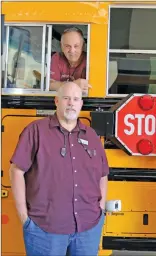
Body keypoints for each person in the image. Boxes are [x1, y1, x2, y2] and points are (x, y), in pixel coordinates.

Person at [9, 82, 109, 256]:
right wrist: (24, 217)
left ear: (81, 104)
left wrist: (100, 210)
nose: (71, 103)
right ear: (56, 101)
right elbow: (16, 171)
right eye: (66, 98)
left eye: (76, 99)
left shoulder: (91, 136)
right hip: (45, 231)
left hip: (88, 228)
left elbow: (102, 174)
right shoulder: (36, 131)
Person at [50, 27, 91, 94]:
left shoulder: (90, 60)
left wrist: (61, 85)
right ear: (61, 46)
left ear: (83, 46)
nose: (72, 51)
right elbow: (50, 85)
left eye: (76, 46)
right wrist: (73, 85)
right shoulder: (57, 58)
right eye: (67, 46)